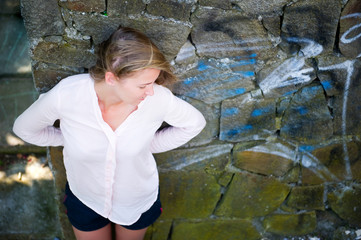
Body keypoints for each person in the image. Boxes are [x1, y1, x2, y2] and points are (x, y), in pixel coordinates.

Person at [13, 27, 206, 240]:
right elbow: (24, 128)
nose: (151, 91)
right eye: (143, 85)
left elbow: (194, 124)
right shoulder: (67, 95)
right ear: (111, 79)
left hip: (137, 201)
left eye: (153, 82)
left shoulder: (157, 99)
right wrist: (65, 139)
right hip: (85, 199)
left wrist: (147, 145)